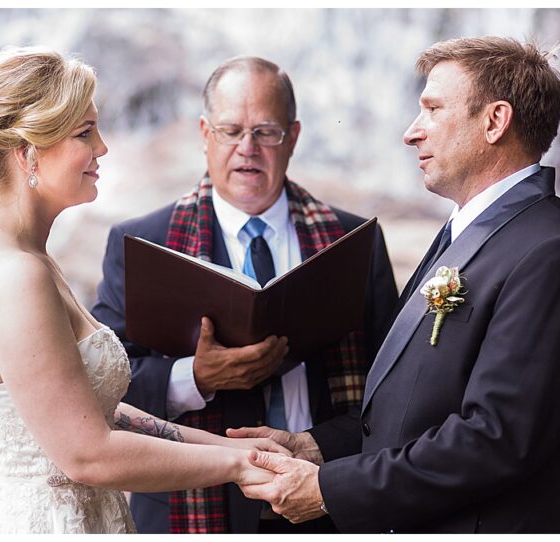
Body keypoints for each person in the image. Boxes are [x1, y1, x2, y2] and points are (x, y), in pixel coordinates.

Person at [0, 46, 284, 534]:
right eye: (84, 133)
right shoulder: (13, 275)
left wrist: (236, 446)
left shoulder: (32, 258)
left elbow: (91, 410)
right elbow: (86, 454)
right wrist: (239, 468)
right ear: (27, 152)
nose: (103, 148)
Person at [228, 36, 560, 533]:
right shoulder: (466, 232)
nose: (410, 132)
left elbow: (497, 439)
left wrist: (327, 489)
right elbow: (415, 408)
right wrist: (317, 447)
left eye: (432, 109)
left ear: (495, 121)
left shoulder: (556, 250)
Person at [89, 56, 397, 534]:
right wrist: (194, 377)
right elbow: (104, 386)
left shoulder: (352, 240)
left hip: (325, 499)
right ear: (204, 134)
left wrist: (314, 446)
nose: (246, 149)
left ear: (292, 137)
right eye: (230, 131)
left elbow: (392, 392)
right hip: (187, 512)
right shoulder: (142, 243)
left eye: (265, 132)